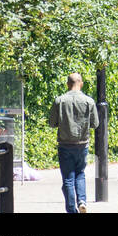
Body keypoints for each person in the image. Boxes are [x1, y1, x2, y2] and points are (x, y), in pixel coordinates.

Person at [48, 73, 98, 214]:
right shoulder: (89, 101)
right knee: (80, 174)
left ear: (68, 84)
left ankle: (71, 209)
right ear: (81, 83)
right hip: (82, 144)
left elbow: (52, 123)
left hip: (65, 144)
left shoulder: (59, 101)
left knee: (68, 178)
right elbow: (95, 123)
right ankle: (82, 201)